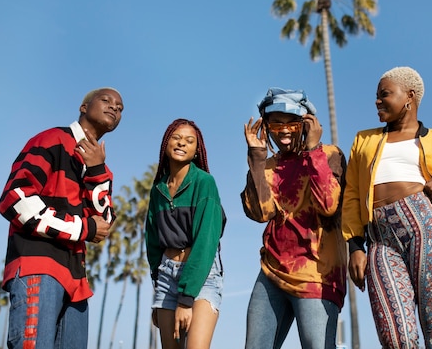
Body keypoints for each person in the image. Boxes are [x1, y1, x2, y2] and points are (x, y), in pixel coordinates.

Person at [342, 66, 432, 349]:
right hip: (379, 238)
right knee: (394, 335)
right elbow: (352, 195)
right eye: (376, 96)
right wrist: (355, 246)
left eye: (384, 95)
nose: (377, 102)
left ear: (409, 97)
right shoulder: (363, 140)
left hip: (428, 225)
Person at [0, 87, 124, 349]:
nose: (114, 107)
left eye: (120, 107)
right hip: (38, 266)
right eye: (106, 100)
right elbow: (14, 198)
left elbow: (103, 225)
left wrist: (97, 170)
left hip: (76, 283)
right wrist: (82, 228)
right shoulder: (51, 139)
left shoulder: (101, 168)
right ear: (83, 107)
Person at [241, 88, 347, 349]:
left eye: (292, 123)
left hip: (317, 274)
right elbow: (260, 212)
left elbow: (329, 205)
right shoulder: (266, 165)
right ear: (267, 127)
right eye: (276, 124)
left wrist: (313, 151)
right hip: (272, 271)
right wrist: (256, 158)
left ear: (308, 124)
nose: (284, 130)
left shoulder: (330, 155)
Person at [145, 118, 226, 349]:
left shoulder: (204, 182)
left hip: (202, 276)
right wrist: (158, 285)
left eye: (189, 141)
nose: (182, 144)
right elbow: (152, 240)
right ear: (166, 143)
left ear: (196, 150)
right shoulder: (158, 189)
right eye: (176, 138)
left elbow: (206, 243)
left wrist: (186, 298)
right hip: (166, 277)